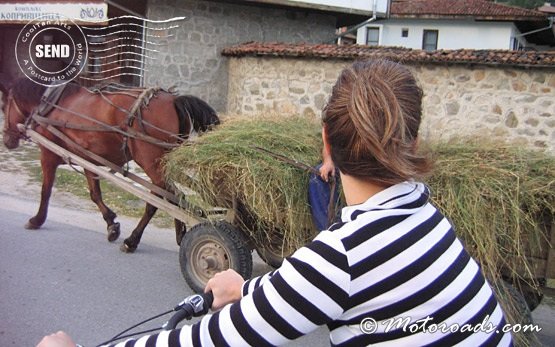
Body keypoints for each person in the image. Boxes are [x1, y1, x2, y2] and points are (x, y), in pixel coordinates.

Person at [37, 59, 512, 347]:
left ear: (325, 139)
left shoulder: (342, 256)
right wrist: (247, 293)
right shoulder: (427, 217)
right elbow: (303, 289)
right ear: (410, 138)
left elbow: (203, 340)